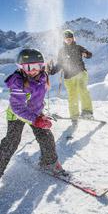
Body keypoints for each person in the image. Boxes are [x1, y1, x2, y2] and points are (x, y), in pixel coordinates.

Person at [0, 49, 66, 179]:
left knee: (46, 136)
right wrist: (36, 120)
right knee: (12, 142)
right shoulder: (18, 82)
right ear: (21, 67)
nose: (33, 70)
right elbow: (17, 107)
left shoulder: (42, 74)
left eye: (36, 66)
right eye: (28, 67)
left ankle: (49, 163)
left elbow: (51, 70)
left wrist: (62, 63)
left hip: (35, 112)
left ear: (41, 66)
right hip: (16, 114)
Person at [48, 29, 93, 126]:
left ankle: (87, 112)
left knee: (82, 89)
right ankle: (74, 115)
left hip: (81, 73)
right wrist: (52, 71)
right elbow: (59, 64)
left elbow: (89, 54)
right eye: (66, 39)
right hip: (68, 77)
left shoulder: (78, 48)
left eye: (70, 38)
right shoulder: (62, 51)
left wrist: (86, 54)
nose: (68, 40)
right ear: (64, 40)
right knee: (72, 96)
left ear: (73, 38)